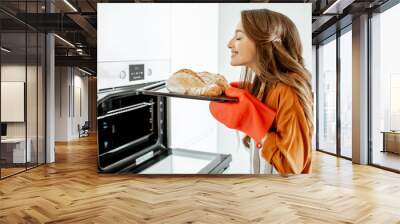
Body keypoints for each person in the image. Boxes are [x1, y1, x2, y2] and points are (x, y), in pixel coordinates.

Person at [209, 9, 313, 175]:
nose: (229, 44)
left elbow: (292, 168)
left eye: (238, 37)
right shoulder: (263, 85)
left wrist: (256, 126)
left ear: (264, 42)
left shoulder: (288, 90)